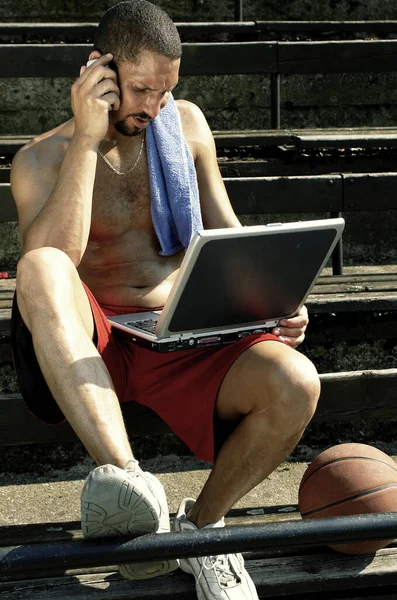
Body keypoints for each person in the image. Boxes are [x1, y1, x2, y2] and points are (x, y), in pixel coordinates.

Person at [10, 1, 320, 598]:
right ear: (99, 72)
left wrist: (275, 296)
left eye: (166, 90)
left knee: (298, 383)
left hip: (178, 328)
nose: (155, 108)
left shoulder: (186, 126)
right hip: (90, 341)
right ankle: (133, 489)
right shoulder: (39, 160)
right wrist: (86, 143)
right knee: (40, 265)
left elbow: (225, 230)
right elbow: (52, 264)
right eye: (142, 89)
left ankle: (201, 535)